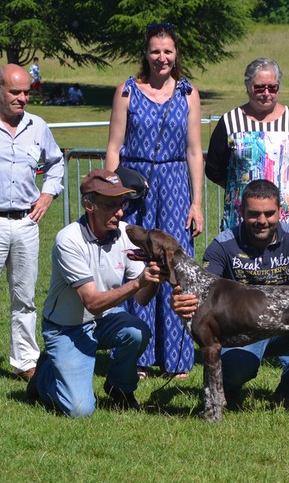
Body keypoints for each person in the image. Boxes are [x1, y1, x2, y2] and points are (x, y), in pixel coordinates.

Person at [170, 179, 289, 408]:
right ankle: (229, 389)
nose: (262, 221)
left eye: (269, 213)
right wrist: (180, 301)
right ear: (241, 212)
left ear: (280, 211)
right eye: (254, 214)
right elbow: (202, 291)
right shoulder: (223, 245)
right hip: (242, 327)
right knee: (236, 369)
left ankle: (288, 392)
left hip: (286, 322)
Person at [105, 22, 204, 379]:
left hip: (176, 186)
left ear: (176, 54)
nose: (162, 58)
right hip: (135, 188)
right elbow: (114, 147)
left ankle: (177, 358)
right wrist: (111, 196)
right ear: (145, 54)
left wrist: (196, 203)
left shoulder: (188, 93)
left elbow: (194, 151)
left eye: (168, 51)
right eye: (155, 51)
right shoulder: (127, 92)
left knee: (177, 267)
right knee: (137, 264)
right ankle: (137, 354)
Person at [27, 169, 163, 417]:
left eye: (121, 204)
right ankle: (44, 375)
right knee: (79, 410)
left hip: (102, 320)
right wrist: (137, 283)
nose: (120, 212)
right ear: (89, 205)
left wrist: (153, 279)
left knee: (137, 332)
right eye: (111, 205)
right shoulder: (68, 240)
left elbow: (142, 299)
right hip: (66, 328)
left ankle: (120, 389)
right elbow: (91, 302)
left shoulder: (124, 234)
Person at [0, 63, 64, 382]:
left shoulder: (37, 126)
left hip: (26, 223)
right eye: (15, 92)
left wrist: (48, 194)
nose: (23, 98)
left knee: (24, 297)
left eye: (26, 92)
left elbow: (56, 163)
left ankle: (25, 361)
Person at [205, 57, 289, 232]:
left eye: (272, 88)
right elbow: (214, 169)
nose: (266, 93)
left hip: (286, 216)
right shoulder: (230, 121)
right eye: (259, 88)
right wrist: (238, 187)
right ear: (248, 87)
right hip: (242, 217)